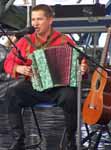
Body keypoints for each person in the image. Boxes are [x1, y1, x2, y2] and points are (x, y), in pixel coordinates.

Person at [4, 4, 88, 150]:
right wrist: (19, 68)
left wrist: (83, 68)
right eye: (33, 19)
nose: (35, 23)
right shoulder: (25, 41)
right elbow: (8, 62)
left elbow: (81, 61)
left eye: (39, 19)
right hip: (34, 87)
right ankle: (18, 141)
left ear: (50, 20)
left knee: (70, 96)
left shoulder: (64, 40)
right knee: (12, 92)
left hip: (59, 89)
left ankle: (70, 140)